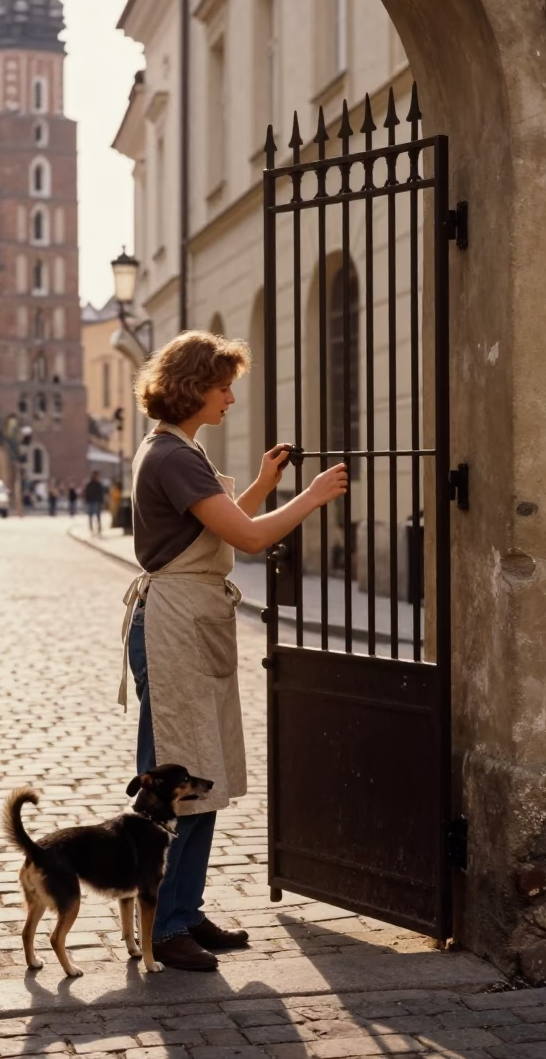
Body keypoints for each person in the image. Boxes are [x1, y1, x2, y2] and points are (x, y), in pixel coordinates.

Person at [121, 330, 348, 972]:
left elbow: (219, 524)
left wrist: (261, 483)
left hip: (190, 622)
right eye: (223, 386)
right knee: (177, 781)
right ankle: (163, 927)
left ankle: (183, 912)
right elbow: (246, 541)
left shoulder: (176, 450)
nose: (229, 398)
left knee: (201, 775)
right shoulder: (173, 456)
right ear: (194, 387)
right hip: (174, 627)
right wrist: (310, 497)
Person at [84, 470, 104, 535]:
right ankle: (91, 528)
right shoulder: (90, 484)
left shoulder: (98, 484)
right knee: (91, 515)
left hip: (97, 502)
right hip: (91, 501)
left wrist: (101, 501)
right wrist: (87, 500)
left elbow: (101, 493)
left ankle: (99, 528)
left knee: (97, 516)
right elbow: (87, 493)